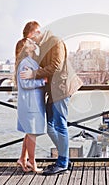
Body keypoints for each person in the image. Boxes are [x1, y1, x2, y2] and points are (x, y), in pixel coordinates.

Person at [20, 21, 83, 175]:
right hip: (53, 90)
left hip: (61, 89)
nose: (32, 41)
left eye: (32, 38)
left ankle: (62, 163)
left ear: (36, 32)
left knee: (60, 125)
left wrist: (33, 74)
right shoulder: (44, 45)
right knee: (50, 126)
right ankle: (65, 158)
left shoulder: (55, 41)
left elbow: (56, 66)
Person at [15, 37, 46, 173]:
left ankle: (24, 159)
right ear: (25, 49)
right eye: (29, 42)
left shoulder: (31, 61)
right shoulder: (24, 64)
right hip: (30, 105)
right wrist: (42, 82)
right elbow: (25, 84)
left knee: (30, 133)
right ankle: (32, 163)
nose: (33, 42)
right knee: (32, 133)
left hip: (33, 103)